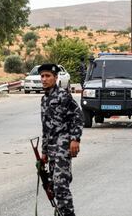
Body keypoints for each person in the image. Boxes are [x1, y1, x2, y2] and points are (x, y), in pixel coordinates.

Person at [39, 64, 84, 216]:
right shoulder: (44, 99)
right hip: (51, 149)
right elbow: (45, 129)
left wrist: (75, 139)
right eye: (42, 76)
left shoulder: (63, 95)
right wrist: (44, 152)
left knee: (60, 185)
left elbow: (77, 117)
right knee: (52, 185)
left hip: (63, 147)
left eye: (48, 76)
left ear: (56, 78)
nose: (44, 79)